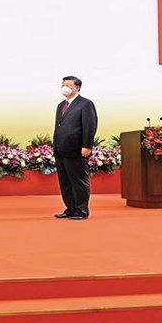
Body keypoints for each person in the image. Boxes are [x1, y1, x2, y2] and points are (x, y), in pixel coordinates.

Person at [53, 75, 98, 220]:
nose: (64, 88)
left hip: (76, 149)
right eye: (63, 85)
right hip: (61, 149)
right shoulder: (61, 105)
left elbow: (90, 126)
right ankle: (70, 208)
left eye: (68, 85)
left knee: (78, 181)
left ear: (77, 88)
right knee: (65, 182)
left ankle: (81, 210)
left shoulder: (86, 104)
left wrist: (87, 145)